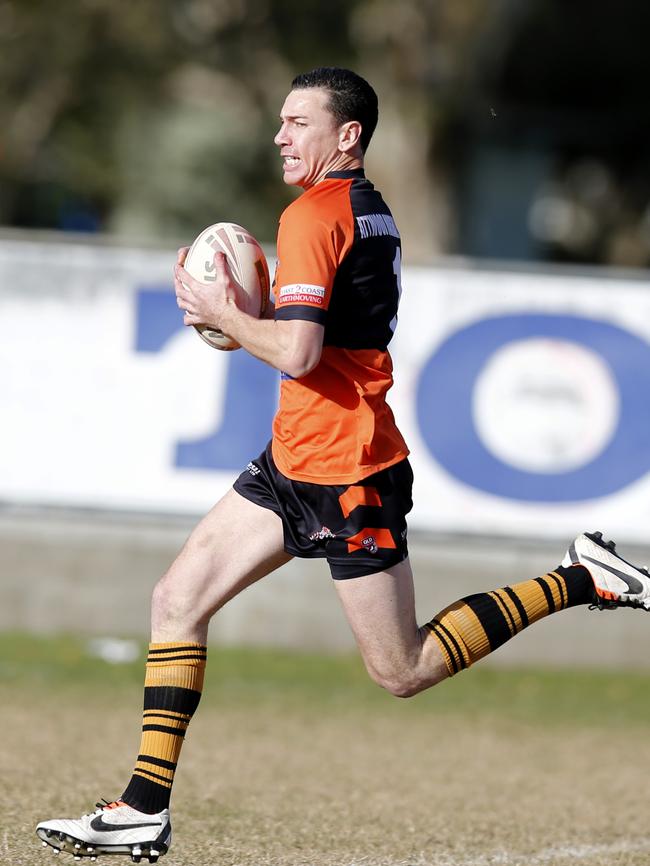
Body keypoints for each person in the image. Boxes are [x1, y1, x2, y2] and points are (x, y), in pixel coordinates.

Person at [36, 66, 650, 863]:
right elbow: (317, 339)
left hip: (347, 469)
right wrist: (247, 317)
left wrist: (224, 313)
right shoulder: (370, 209)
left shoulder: (315, 214)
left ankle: (579, 578)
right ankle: (141, 808)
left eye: (299, 123)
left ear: (347, 135)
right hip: (297, 455)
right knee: (177, 599)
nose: (281, 136)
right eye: (281, 122)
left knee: (403, 668)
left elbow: (297, 352)